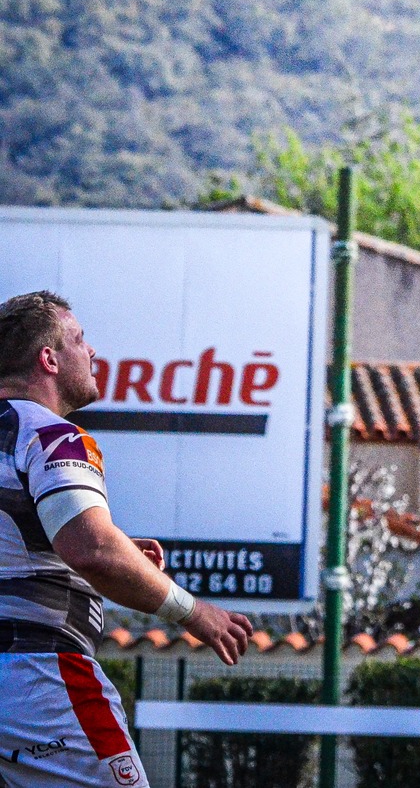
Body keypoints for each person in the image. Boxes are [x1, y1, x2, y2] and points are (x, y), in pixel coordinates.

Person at [0, 291, 252, 788]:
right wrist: (195, 612)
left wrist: (107, 545)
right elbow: (93, 551)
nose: (92, 352)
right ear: (48, 359)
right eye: (79, 339)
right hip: (37, 680)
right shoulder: (53, 435)